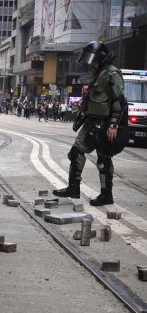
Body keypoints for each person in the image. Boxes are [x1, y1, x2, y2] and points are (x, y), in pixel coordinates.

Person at [53, 41, 126, 206]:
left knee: (103, 159)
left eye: (92, 59)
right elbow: (96, 98)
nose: (90, 63)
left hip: (106, 124)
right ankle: (73, 188)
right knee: (76, 152)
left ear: (100, 58)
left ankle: (106, 195)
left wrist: (114, 124)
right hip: (91, 121)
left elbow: (118, 100)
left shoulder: (112, 73)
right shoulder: (98, 72)